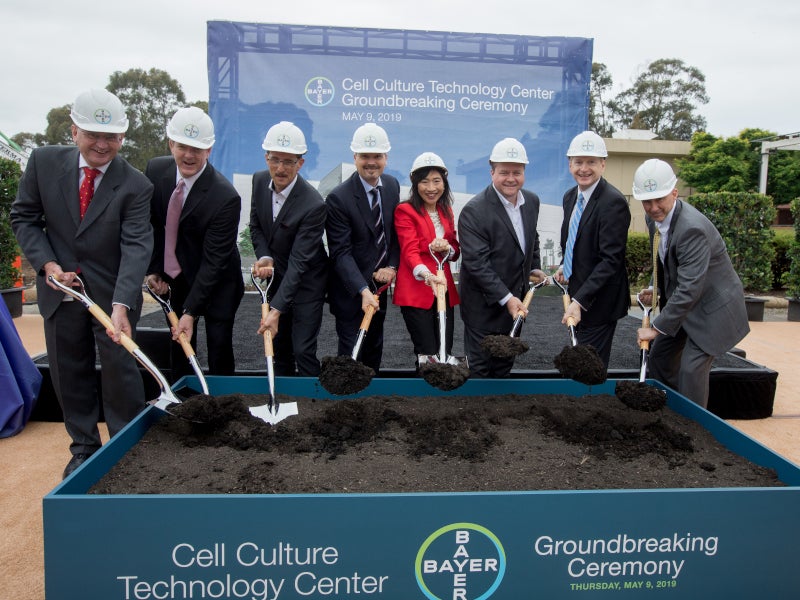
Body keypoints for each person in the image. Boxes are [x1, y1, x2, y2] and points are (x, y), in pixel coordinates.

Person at [11, 89, 154, 478]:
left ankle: (126, 450)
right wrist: (48, 265)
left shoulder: (136, 185)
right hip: (59, 289)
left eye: (112, 137)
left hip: (112, 293)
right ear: (74, 131)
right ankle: (84, 448)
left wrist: (122, 304)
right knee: (68, 368)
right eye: (93, 135)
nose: (102, 145)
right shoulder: (43, 163)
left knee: (120, 370)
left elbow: (136, 246)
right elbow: (25, 218)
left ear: (122, 137)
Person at [633, 159, 749, 408]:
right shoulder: (654, 219)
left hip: (712, 310)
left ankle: (693, 425)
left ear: (674, 193)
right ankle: (671, 410)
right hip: (687, 306)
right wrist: (654, 286)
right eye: (647, 201)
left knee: (691, 370)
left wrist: (656, 328)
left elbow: (689, 288)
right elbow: (663, 259)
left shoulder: (691, 229)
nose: (653, 207)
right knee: (660, 357)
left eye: (659, 199)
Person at [144, 107, 243, 378]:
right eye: (182, 147)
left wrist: (191, 310)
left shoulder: (225, 197)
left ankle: (223, 398)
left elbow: (214, 262)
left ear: (208, 150)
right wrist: (155, 269)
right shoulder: (155, 171)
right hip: (178, 277)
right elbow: (154, 225)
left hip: (219, 281)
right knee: (180, 344)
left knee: (218, 345)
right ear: (171, 144)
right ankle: (185, 397)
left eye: (197, 149)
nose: (188, 155)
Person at [458, 138, 547, 377]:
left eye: (517, 172)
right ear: (492, 173)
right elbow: (476, 264)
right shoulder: (474, 211)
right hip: (483, 307)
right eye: (504, 172)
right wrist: (506, 298)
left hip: (515, 305)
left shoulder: (531, 201)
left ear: (524, 173)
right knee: (480, 370)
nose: (510, 178)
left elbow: (532, 237)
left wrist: (534, 266)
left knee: (503, 367)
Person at [250, 121, 328, 376]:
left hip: (307, 282)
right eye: (275, 160)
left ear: (300, 163)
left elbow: (299, 262)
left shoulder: (313, 204)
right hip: (277, 278)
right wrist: (265, 256)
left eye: (288, 162)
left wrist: (276, 310)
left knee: (302, 349)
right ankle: (284, 394)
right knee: (279, 346)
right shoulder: (259, 180)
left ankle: (311, 395)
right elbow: (256, 226)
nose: (280, 168)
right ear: (266, 158)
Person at [325, 123, 400, 372]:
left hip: (379, 289)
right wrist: (362, 290)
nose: (371, 162)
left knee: (374, 350)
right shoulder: (339, 198)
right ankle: (348, 396)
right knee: (351, 356)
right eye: (365, 156)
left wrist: (392, 266)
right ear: (354, 157)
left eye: (377, 156)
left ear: (386, 158)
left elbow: (394, 235)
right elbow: (340, 253)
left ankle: (371, 395)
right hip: (351, 293)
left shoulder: (391, 186)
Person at [554, 130, 630, 369]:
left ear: (603, 164)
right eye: (578, 162)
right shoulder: (570, 197)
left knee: (589, 368)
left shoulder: (613, 202)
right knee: (580, 363)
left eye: (591, 162)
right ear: (570, 165)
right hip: (578, 296)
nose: (584, 169)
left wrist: (579, 301)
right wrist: (565, 266)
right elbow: (573, 240)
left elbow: (611, 260)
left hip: (600, 303)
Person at [393, 152, 460, 363]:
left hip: (443, 289)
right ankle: (424, 383)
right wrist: (427, 275)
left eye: (436, 181)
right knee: (427, 351)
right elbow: (409, 250)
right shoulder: (405, 211)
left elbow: (455, 249)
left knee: (444, 349)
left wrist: (447, 248)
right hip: (417, 289)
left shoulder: (446, 210)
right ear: (415, 183)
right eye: (424, 182)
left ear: (444, 182)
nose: (431, 188)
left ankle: (443, 383)